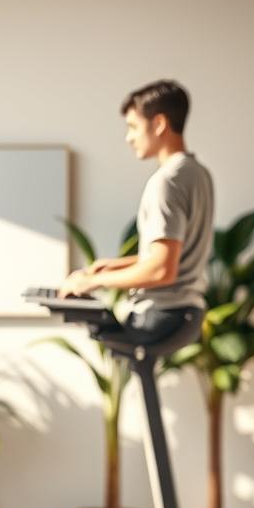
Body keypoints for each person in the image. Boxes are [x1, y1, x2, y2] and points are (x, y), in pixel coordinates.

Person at [58, 79, 212, 345]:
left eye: (133, 127)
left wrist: (92, 283)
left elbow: (162, 270)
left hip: (160, 314)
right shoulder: (198, 174)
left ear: (159, 123)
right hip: (188, 313)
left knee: (100, 330)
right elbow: (174, 255)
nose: (129, 137)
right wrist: (114, 266)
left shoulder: (166, 181)